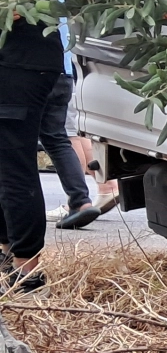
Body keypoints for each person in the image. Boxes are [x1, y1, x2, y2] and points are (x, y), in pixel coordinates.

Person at [0, 0, 62, 292]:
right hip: (16, 62)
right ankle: (8, 252)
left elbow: (18, 0)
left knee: (13, 162)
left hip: (25, 64)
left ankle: (26, 265)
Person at [41, 15, 104, 230]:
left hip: (35, 73)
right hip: (65, 73)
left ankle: (23, 212)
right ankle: (80, 200)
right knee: (59, 138)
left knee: (20, 142)